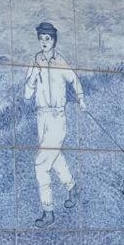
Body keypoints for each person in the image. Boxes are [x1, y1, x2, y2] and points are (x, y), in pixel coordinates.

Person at [23, 22, 85, 228]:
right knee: (55, 156)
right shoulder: (35, 61)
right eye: (41, 38)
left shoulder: (60, 61)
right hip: (42, 117)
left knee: (41, 164)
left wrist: (81, 99)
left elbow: (74, 80)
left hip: (58, 117)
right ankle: (73, 188)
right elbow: (27, 95)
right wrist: (32, 79)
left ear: (54, 40)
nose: (44, 42)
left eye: (47, 38)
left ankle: (48, 211)